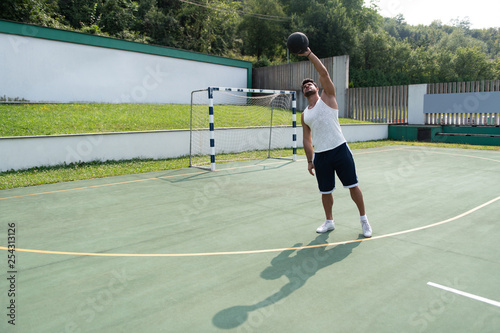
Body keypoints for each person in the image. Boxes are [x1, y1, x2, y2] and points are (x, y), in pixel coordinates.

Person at [299, 47, 372, 238]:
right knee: (325, 191)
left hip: (340, 149)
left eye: (310, 83)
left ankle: (364, 220)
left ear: (317, 87)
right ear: (303, 93)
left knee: (353, 186)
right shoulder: (305, 114)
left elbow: (323, 72)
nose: (307, 85)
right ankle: (329, 221)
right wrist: (309, 160)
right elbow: (307, 139)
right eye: (304, 86)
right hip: (321, 155)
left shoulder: (328, 97)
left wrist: (309, 54)